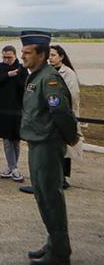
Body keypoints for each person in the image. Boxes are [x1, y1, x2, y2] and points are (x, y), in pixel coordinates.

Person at [18, 32, 76, 265]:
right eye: (22, 53)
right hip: (37, 142)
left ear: (41, 54)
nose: (23, 57)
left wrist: (70, 138)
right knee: (43, 195)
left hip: (47, 144)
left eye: (27, 53)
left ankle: (60, 252)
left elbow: (60, 112)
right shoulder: (36, 76)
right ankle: (54, 242)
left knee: (51, 196)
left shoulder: (49, 79)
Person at [0, 45, 26, 183]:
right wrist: (7, 75)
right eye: (4, 57)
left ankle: (12, 166)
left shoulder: (23, 69)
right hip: (2, 108)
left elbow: (24, 87)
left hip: (17, 108)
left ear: (15, 55)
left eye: (9, 57)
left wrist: (16, 76)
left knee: (15, 139)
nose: (6, 60)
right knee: (6, 139)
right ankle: (13, 167)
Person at [49, 45, 83, 188]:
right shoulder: (47, 71)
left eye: (53, 55)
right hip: (50, 114)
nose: (50, 58)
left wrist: (63, 109)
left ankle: (62, 178)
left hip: (64, 114)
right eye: (49, 55)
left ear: (61, 57)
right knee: (52, 147)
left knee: (65, 147)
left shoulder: (68, 73)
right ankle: (52, 176)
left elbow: (73, 95)